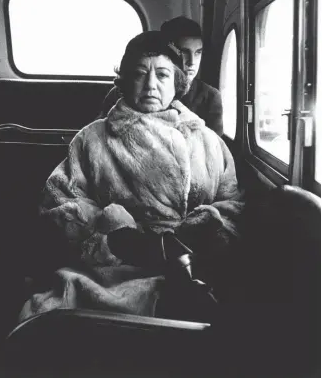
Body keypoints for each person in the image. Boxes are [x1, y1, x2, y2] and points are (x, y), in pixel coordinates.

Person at [19, 31, 243, 324]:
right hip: (113, 271)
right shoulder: (93, 138)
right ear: (124, 81)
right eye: (140, 74)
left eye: (162, 75)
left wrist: (201, 228)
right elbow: (60, 202)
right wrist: (117, 239)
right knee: (54, 319)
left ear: (177, 83)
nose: (151, 85)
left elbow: (233, 204)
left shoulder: (207, 141)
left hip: (193, 265)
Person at [99, 17, 223, 136]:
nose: (191, 62)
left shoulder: (210, 97)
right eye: (184, 52)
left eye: (198, 53)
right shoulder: (121, 94)